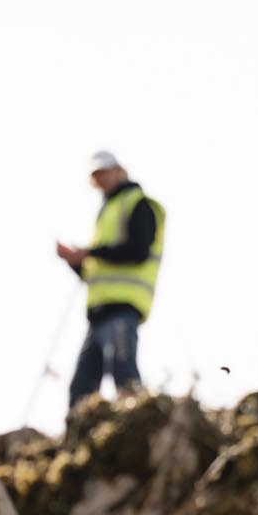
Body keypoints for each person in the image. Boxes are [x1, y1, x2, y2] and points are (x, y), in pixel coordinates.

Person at [54, 151, 164, 410]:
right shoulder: (106, 212)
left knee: (125, 375)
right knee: (81, 388)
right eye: (97, 175)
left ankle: (141, 423)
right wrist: (76, 262)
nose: (101, 179)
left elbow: (138, 251)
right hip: (99, 313)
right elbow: (97, 272)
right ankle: (80, 432)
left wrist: (91, 252)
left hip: (124, 307)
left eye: (104, 172)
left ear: (119, 170)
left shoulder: (138, 203)